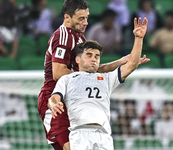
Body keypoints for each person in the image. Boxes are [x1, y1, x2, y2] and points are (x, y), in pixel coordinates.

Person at [38, 0, 149, 149]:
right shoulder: (63, 36)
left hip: (74, 100)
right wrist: (84, 80)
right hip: (57, 98)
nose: (86, 22)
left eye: (87, 17)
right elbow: (59, 73)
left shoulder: (79, 37)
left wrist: (120, 62)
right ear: (67, 18)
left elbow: (90, 70)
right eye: (81, 18)